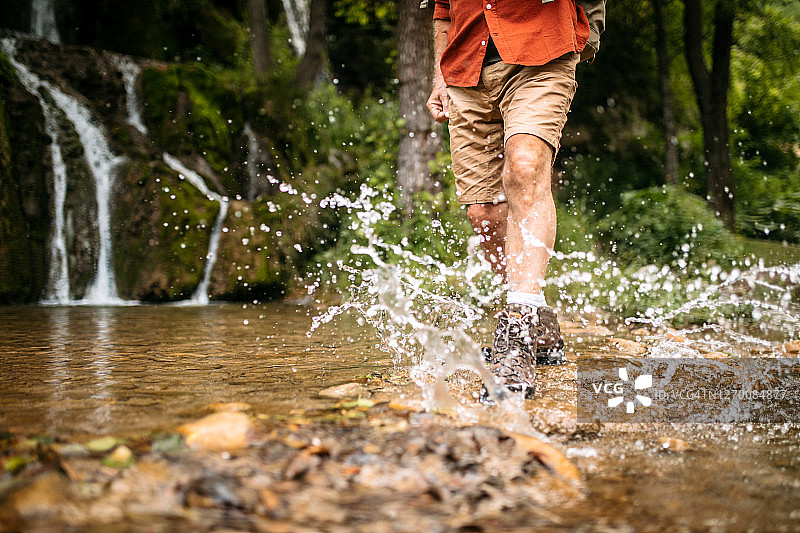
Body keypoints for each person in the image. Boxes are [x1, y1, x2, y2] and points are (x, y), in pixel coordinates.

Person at [426, 0, 605, 399]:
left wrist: (589, 31)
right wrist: (439, 74)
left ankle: (517, 332)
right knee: (484, 214)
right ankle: (536, 319)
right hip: (465, 66)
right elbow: (441, 7)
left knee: (525, 168)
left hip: (541, 50)